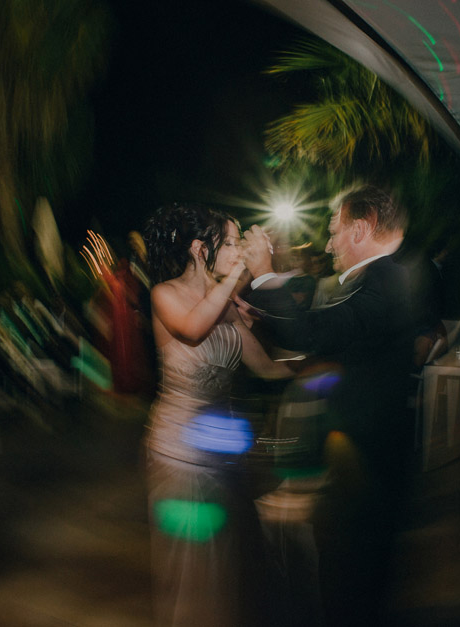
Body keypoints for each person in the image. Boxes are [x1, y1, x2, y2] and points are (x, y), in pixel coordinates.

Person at [241, 184, 416, 626]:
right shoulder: (380, 278)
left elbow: (313, 334)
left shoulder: (384, 282)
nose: (327, 244)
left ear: (361, 229)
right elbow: (328, 337)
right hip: (367, 450)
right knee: (354, 569)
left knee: (350, 574)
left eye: (334, 231)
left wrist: (263, 273)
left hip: (369, 456)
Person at [141, 202, 291, 627]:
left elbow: (267, 367)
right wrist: (235, 278)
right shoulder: (164, 294)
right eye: (230, 242)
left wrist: (318, 363)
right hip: (179, 456)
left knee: (229, 570)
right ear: (199, 249)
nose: (238, 249)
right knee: (192, 569)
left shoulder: (227, 304)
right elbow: (192, 329)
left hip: (223, 454)